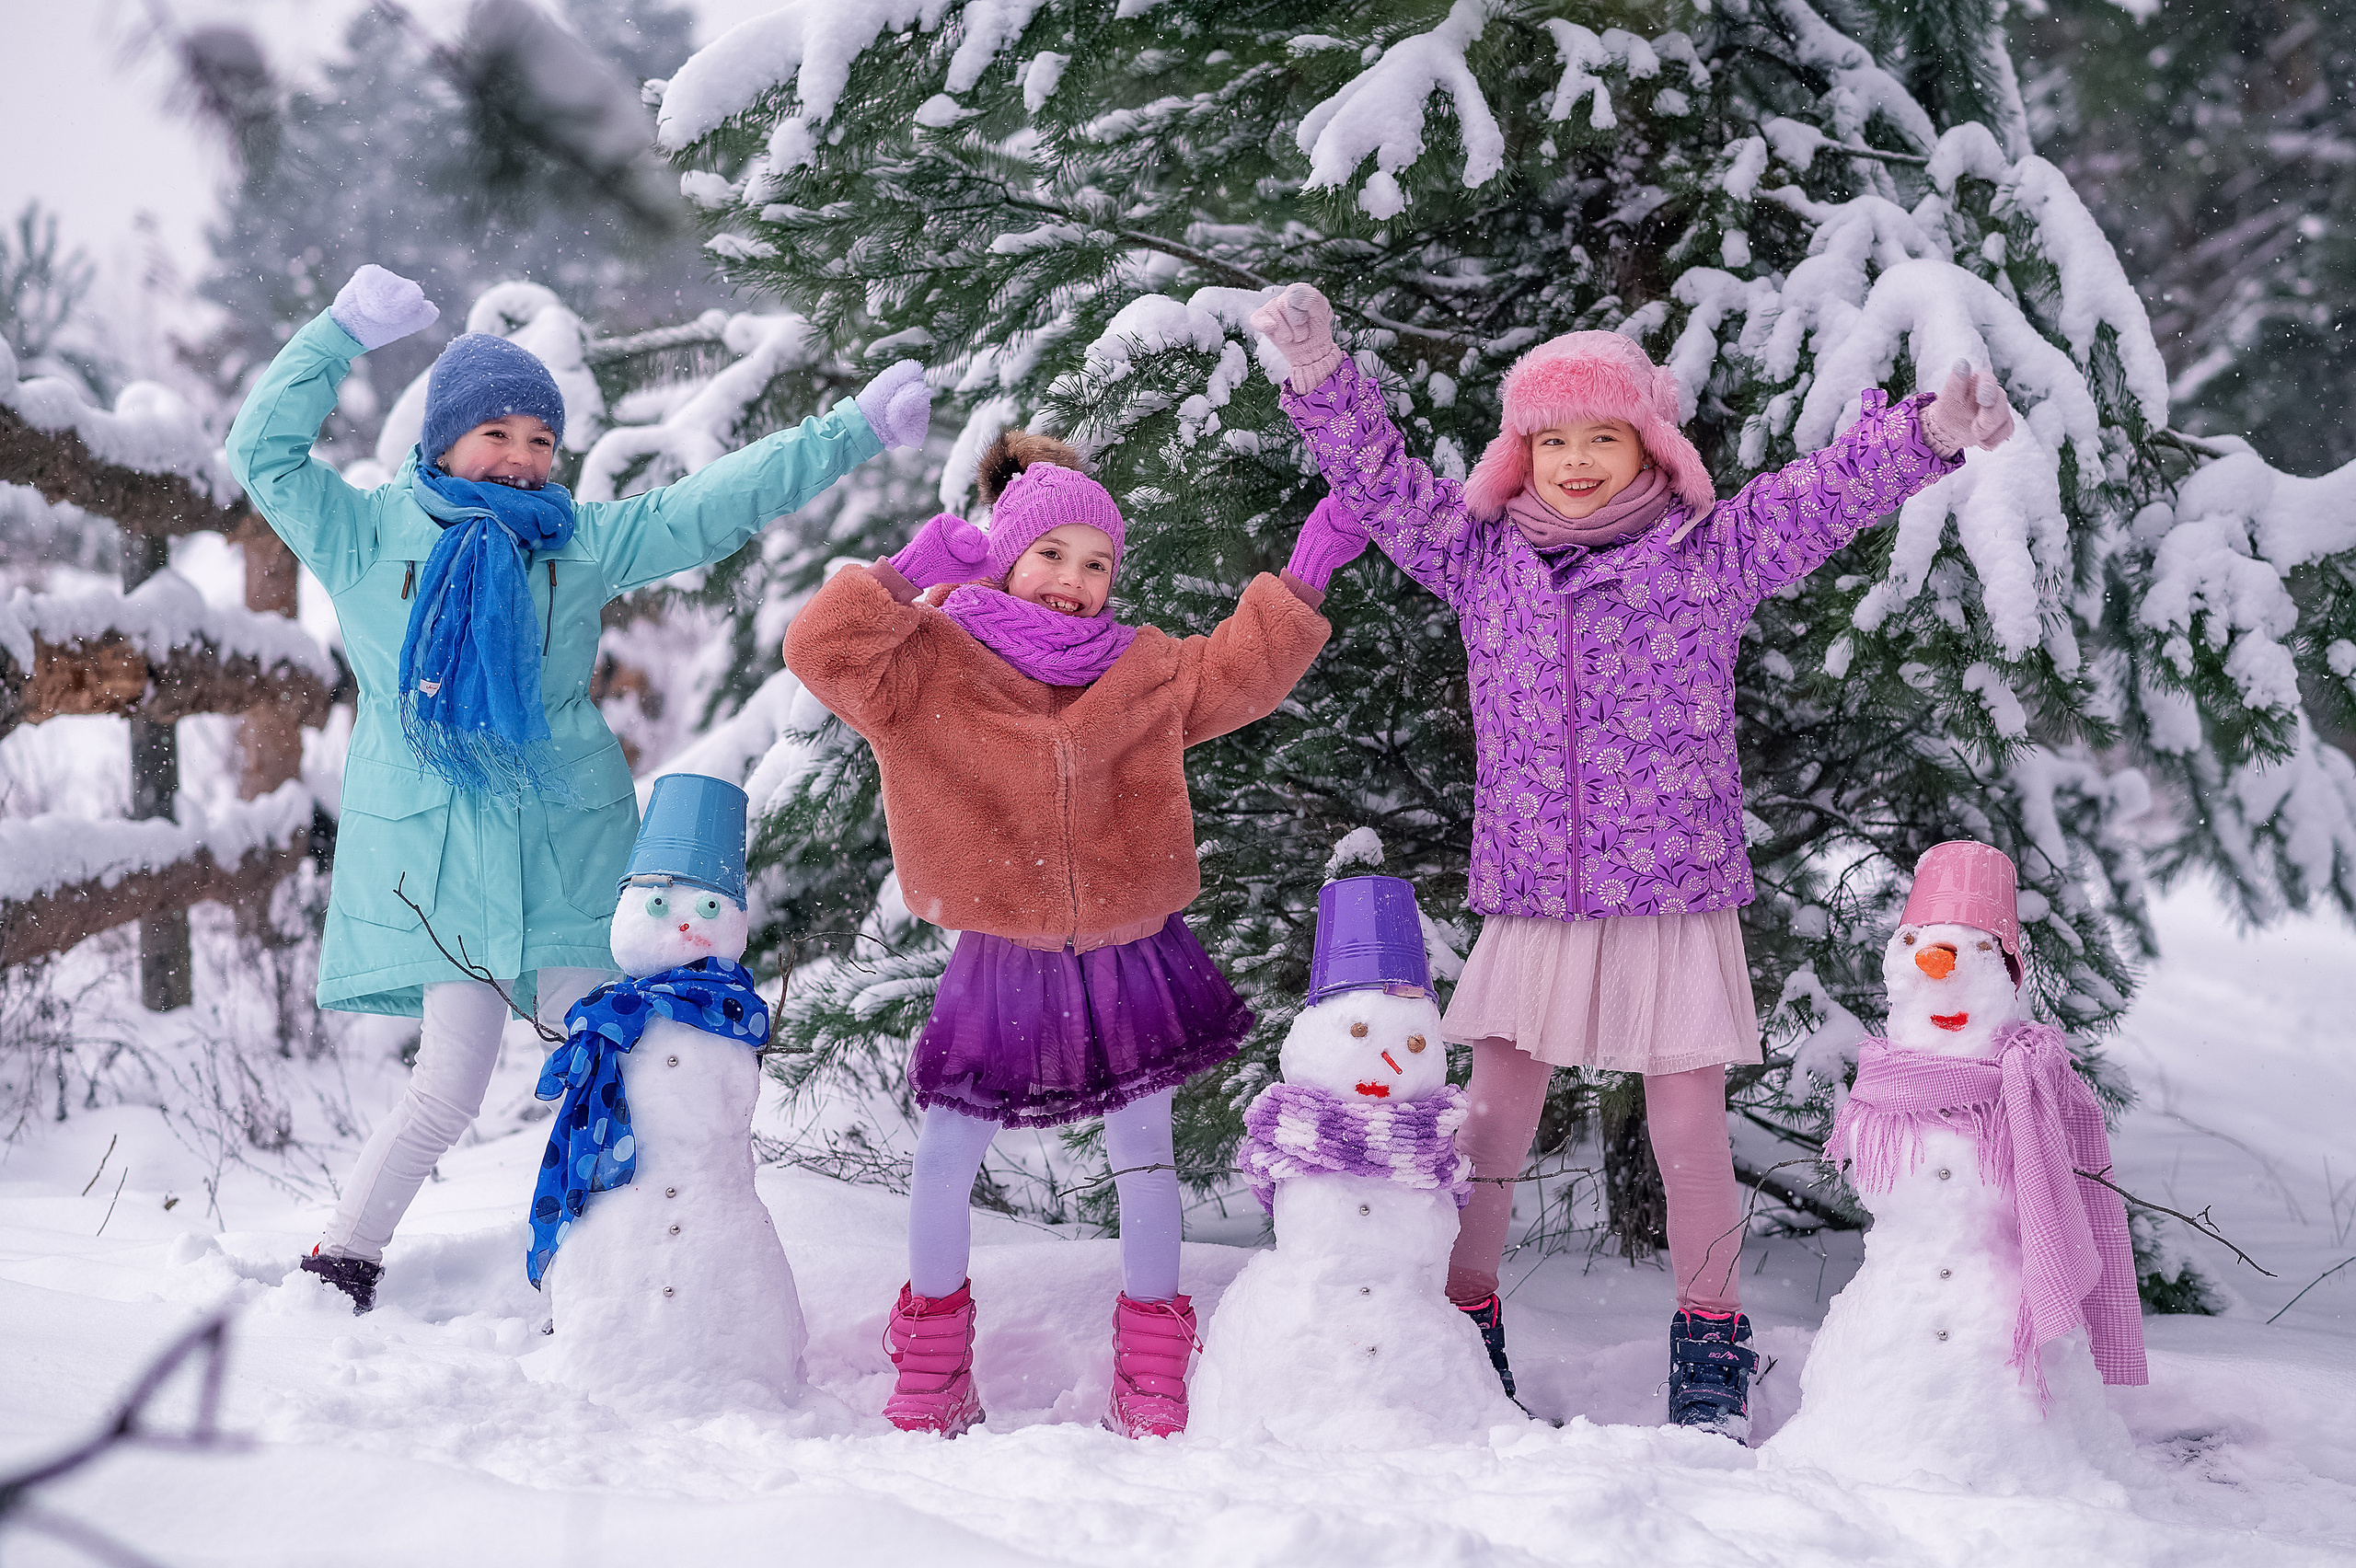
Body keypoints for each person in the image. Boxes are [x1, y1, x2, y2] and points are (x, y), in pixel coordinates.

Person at [1249, 280, 2016, 1438]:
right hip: (1537, 892)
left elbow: (1820, 497)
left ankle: (1712, 1341)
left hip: (1668, 888)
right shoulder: (1479, 559)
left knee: (1686, 1132)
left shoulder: (1706, 553)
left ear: (1644, 443)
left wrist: (1929, 433)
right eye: (1549, 441)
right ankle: (1466, 1321)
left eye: (1597, 438)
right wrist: (1318, 375)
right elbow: (1382, 485)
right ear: (1520, 453)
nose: (1571, 462)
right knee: (1495, 1124)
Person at [226, 263, 930, 1312]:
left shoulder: (579, 545)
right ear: (442, 441)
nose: (519, 458)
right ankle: (343, 1264)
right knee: (447, 1087)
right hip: (437, 858)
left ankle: (629, 1267)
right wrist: (336, 335)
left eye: (540, 440)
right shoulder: (366, 531)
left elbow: (710, 507)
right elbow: (262, 453)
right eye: (495, 434)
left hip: (566, 846)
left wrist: (851, 430)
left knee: (621, 1058)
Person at [782, 432, 1344, 1438]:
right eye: (1052, 555)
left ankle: (1152, 1367)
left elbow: (1238, 674)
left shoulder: (1142, 671)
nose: (1074, 581)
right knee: (950, 1152)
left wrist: (1303, 576)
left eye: (1096, 564)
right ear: (1003, 553)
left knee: (1145, 1155)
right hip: (1002, 951)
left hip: (1131, 947)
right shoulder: (928, 662)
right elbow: (820, 651)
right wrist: (908, 575)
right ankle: (931, 1363)